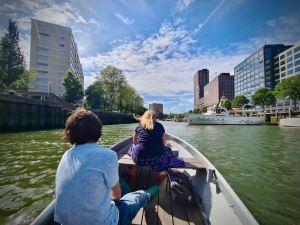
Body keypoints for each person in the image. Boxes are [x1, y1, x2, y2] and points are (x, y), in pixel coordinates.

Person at [54, 108, 159, 225]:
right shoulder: (108, 155)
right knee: (136, 197)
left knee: (117, 185)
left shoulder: (66, 155)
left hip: (64, 222)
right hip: (105, 222)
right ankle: (149, 194)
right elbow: (117, 197)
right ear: (98, 131)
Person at [127, 110, 184, 174]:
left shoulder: (139, 125)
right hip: (156, 160)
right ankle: (160, 173)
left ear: (144, 117)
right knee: (167, 150)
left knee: (132, 147)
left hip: (139, 159)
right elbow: (164, 142)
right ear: (154, 117)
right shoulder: (160, 126)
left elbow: (134, 141)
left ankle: (132, 171)